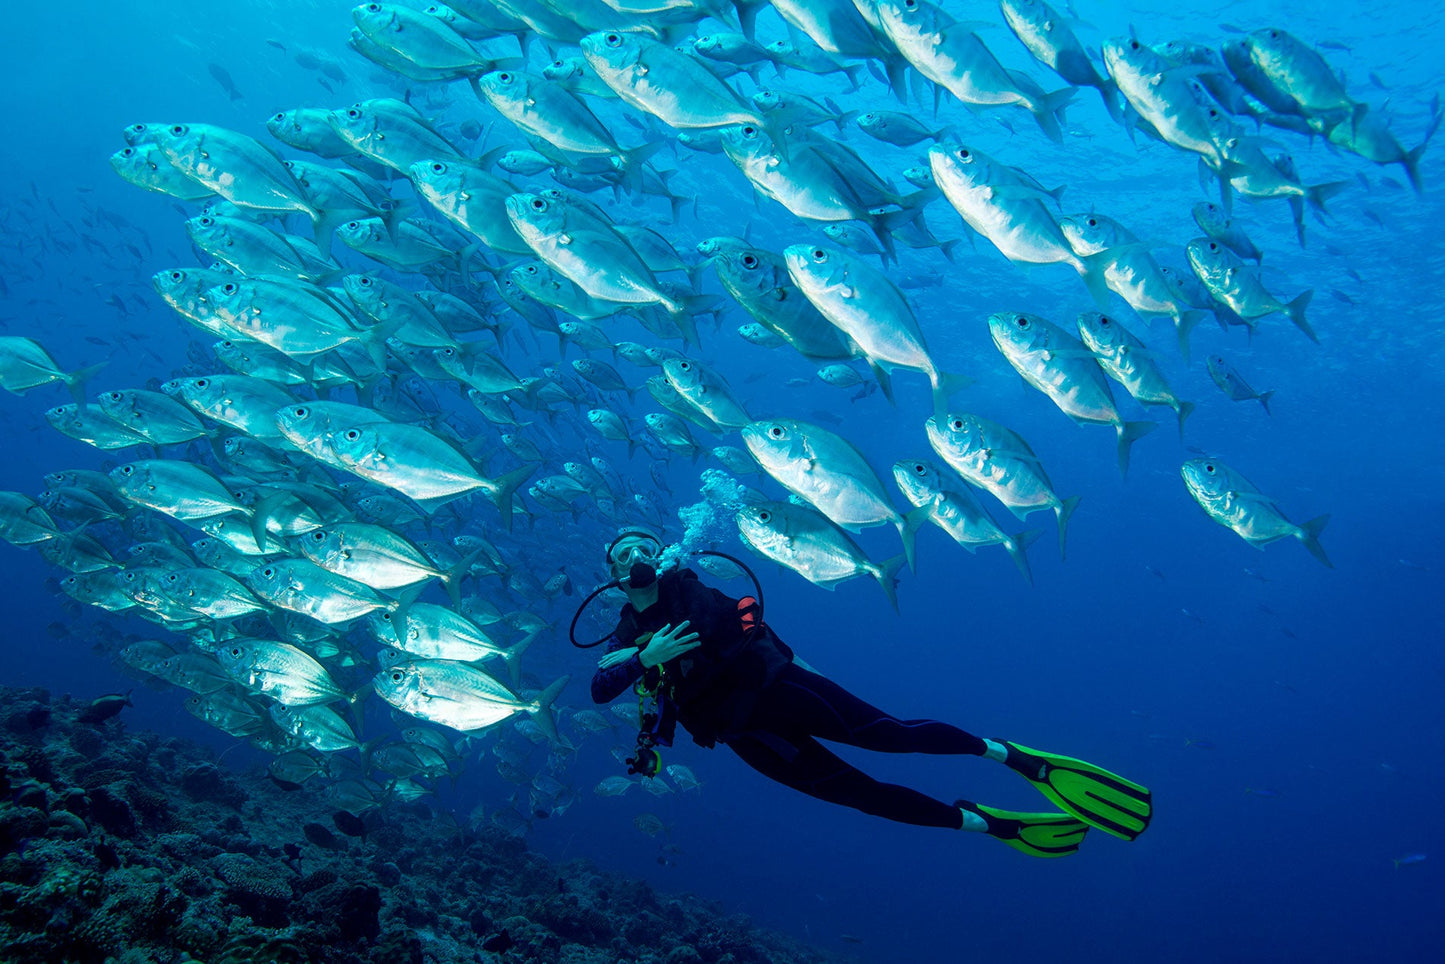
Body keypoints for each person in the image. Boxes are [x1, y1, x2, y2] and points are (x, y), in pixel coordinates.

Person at [590, 528, 1153, 857]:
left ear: (662, 555)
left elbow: (712, 626)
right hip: (747, 735)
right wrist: (644, 659)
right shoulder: (624, 635)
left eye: (644, 548)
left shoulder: (688, 589)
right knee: (861, 795)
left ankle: (1010, 756)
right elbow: (600, 688)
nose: (636, 559)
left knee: (893, 737)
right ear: (612, 574)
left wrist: (653, 652)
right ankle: (988, 824)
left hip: (783, 690)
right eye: (623, 556)